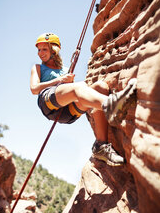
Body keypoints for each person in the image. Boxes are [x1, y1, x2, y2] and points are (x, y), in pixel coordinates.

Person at [30, 33, 137, 166]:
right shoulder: (38, 68)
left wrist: (68, 80)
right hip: (47, 102)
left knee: (101, 87)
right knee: (79, 87)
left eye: (44, 49)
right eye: (39, 50)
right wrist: (60, 80)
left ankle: (101, 146)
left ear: (54, 50)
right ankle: (111, 105)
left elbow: (74, 92)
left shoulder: (65, 70)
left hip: (66, 111)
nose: (40, 53)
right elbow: (34, 89)